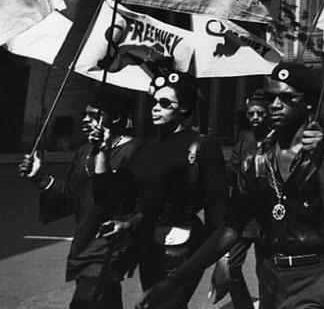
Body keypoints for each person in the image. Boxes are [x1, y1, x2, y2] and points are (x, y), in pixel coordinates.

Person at [135, 62, 324, 309]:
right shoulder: (256, 161)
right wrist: (175, 280)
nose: (275, 105)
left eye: (286, 98)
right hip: (271, 277)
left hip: (315, 274)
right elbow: (230, 228)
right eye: (271, 98)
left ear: (308, 105)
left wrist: (321, 163)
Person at [95, 69, 228, 309]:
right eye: (155, 102)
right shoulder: (145, 147)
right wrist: (102, 151)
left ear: (184, 108)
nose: (156, 107)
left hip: (184, 246)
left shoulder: (202, 146)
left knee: (164, 304)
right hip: (147, 243)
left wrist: (224, 259)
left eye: (165, 103)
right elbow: (114, 196)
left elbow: (218, 207)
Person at [19, 90, 141, 309]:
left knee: (86, 301)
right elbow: (69, 195)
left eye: (94, 115)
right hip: (84, 243)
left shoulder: (135, 151)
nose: (85, 120)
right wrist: (39, 177)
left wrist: (103, 153)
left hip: (109, 245)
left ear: (114, 118)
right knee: (105, 302)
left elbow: (121, 199)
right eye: (86, 114)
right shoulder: (84, 151)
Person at [211, 93, 271, 309]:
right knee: (232, 265)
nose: (255, 117)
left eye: (260, 114)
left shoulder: (275, 138)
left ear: (268, 114)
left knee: (265, 268)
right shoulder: (245, 138)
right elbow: (233, 169)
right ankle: (243, 305)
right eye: (251, 114)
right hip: (243, 214)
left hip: (266, 214)